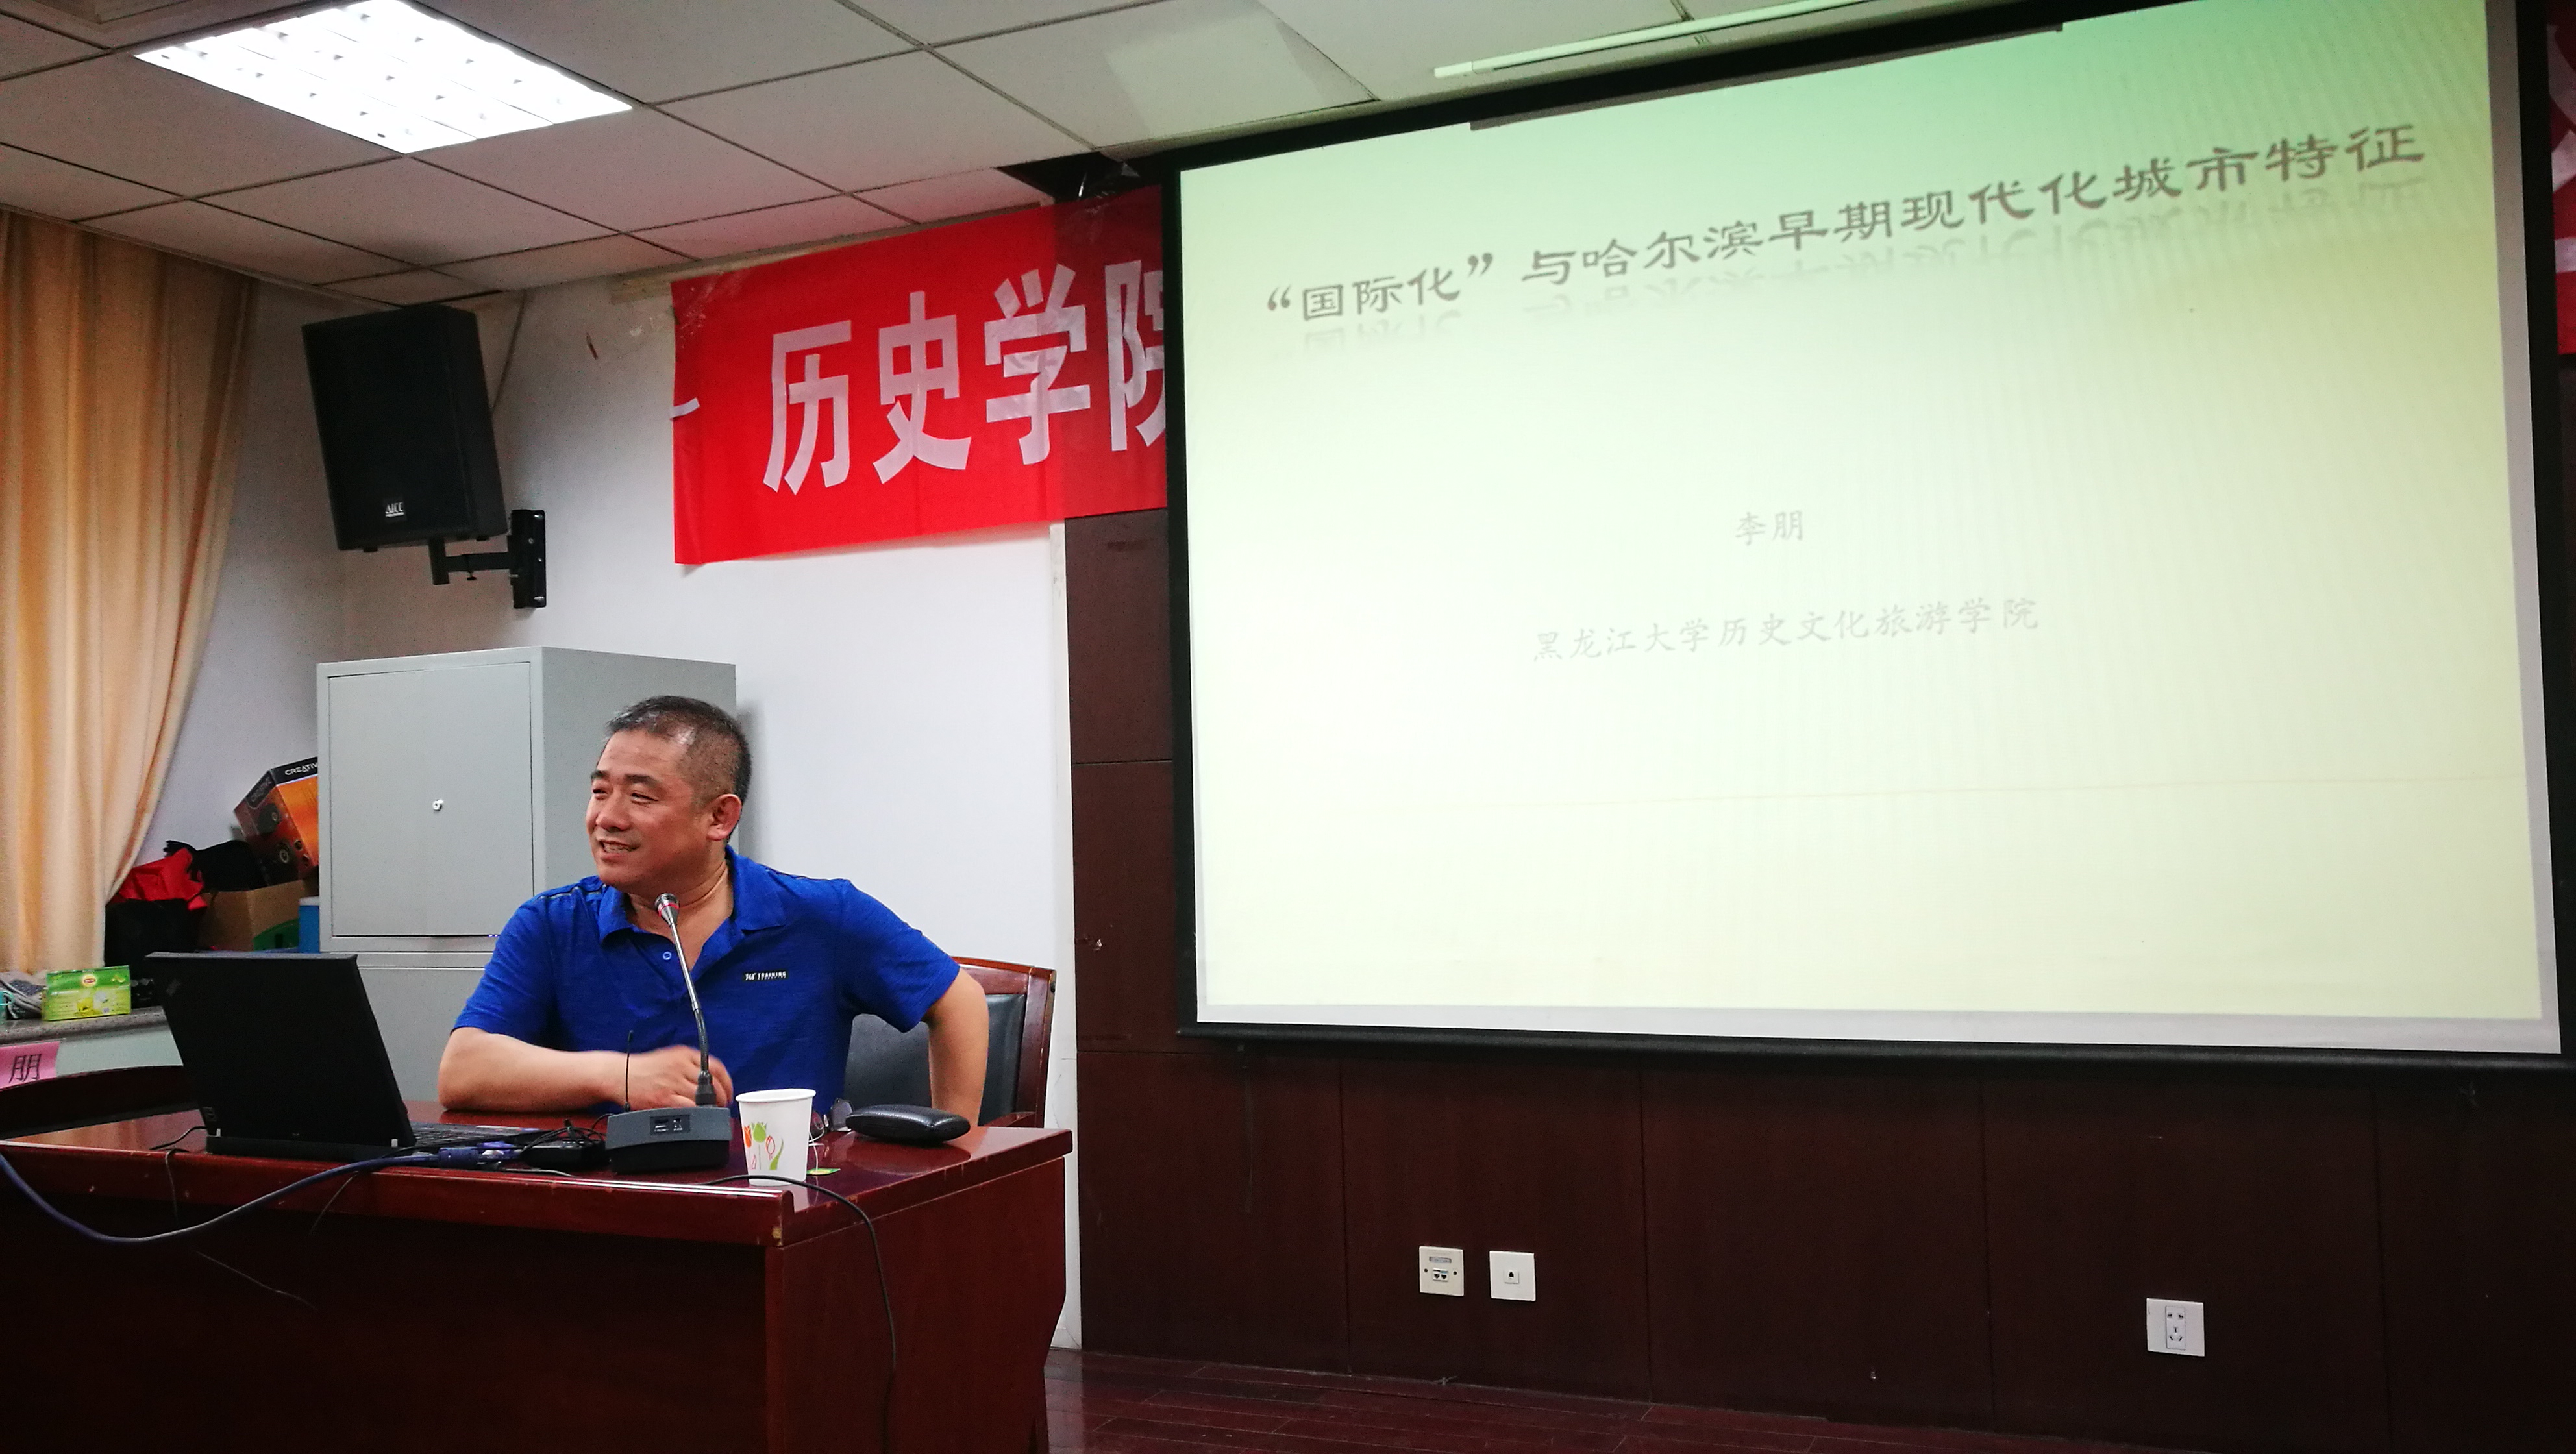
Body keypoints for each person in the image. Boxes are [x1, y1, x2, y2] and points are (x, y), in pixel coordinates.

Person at [436, 696, 987, 1119]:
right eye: (601, 791)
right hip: (607, 1198)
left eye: (640, 797)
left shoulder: (823, 915)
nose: (607, 818)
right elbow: (463, 1071)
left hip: (782, 1197)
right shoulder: (552, 923)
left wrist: (956, 1155)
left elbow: (959, 1002)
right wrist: (618, 1076)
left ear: (720, 817)